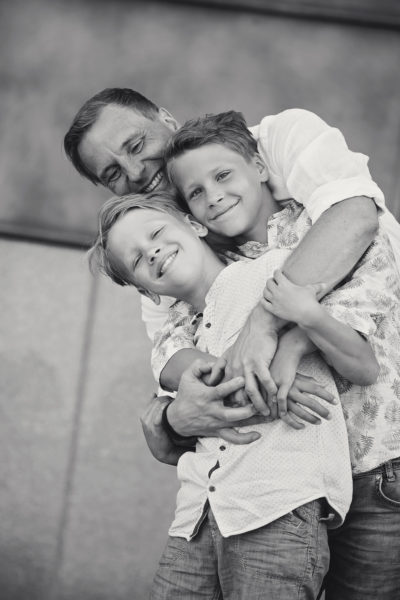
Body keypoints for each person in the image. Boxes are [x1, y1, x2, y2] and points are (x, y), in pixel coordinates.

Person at [63, 88, 400, 455]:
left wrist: (263, 327)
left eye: (136, 145)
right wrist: (171, 420)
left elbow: (354, 218)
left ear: (166, 119)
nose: (135, 172)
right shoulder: (167, 257)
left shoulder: (274, 142)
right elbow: (177, 370)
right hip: (321, 463)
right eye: (113, 173)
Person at [157, 111, 400, 600]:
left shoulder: (328, 229)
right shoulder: (219, 271)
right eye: (196, 192)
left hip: (374, 469)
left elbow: (361, 354)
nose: (213, 196)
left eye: (222, 175)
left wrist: (290, 340)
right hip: (288, 485)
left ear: (260, 167)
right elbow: (177, 350)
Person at [90, 191, 371, 599]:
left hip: (277, 505)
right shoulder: (173, 337)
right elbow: (197, 394)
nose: (151, 251)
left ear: (195, 225)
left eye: (156, 233)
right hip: (195, 516)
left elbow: (358, 345)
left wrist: (289, 346)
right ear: (146, 292)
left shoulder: (278, 272)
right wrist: (250, 383)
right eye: (136, 260)